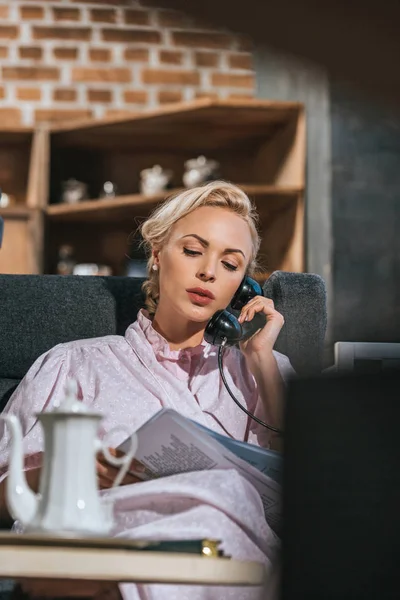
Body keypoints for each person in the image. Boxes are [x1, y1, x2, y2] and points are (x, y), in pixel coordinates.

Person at [0, 181, 295, 600]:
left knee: (228, 494)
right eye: (193, 251)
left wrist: (262, 361)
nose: (209, 271)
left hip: (232, 563)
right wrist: (67, 473)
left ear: (243, 286)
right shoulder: (75, 364)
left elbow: (316, 501)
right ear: (157, 255)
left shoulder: (265, 373)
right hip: (103, 547)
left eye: (231, 265)